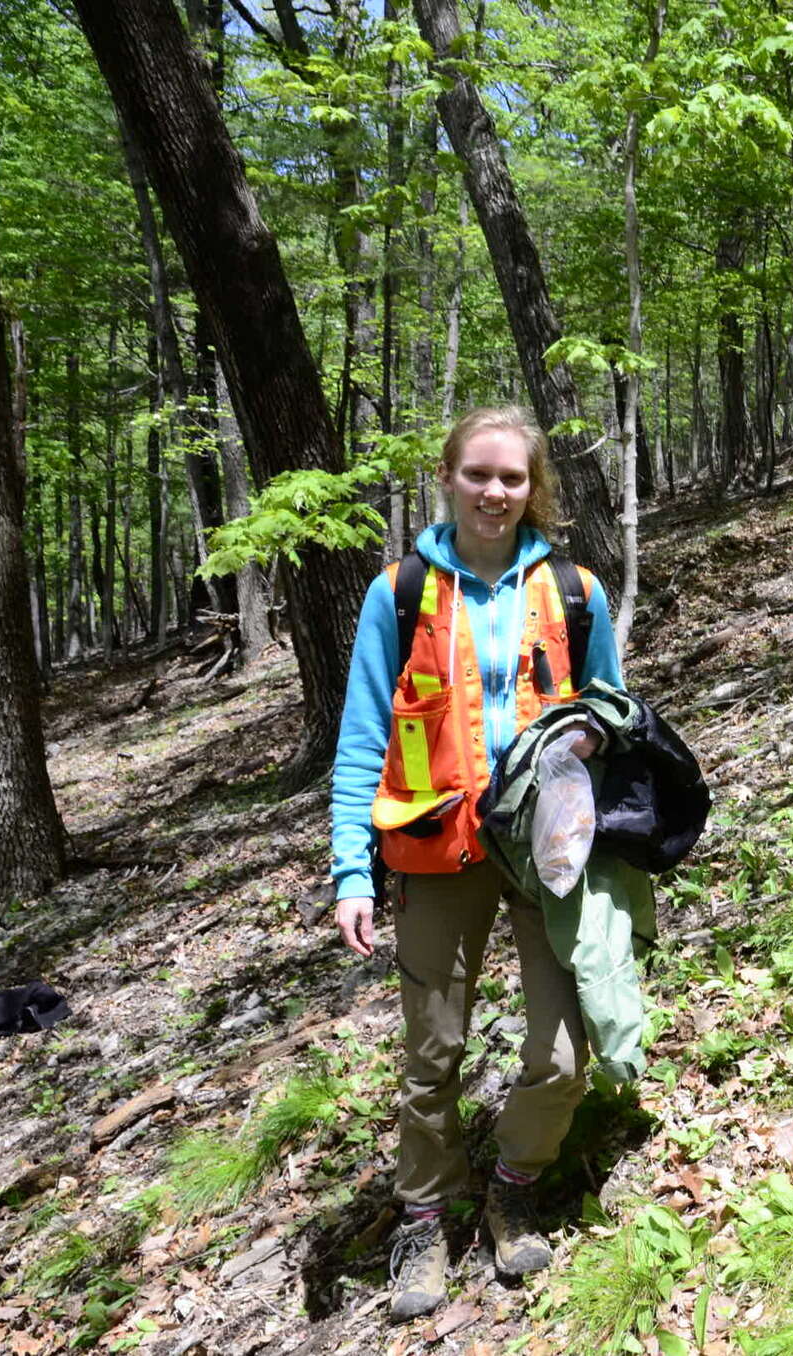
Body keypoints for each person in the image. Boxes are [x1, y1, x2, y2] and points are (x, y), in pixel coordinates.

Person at [329, 406, 623, 1321]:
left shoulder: (576, 591)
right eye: (478, 474)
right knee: (434, 1049)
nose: (496, 492)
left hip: (546, 849)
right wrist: (350, 869)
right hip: (432, 846)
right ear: (448, 478)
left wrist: (610, 836)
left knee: (565, 1049)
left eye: (513, 477)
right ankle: (423, 1213)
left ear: (536, 487)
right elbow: (363, 737)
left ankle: (511, 1182)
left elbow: (615, 720)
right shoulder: (402, 592)